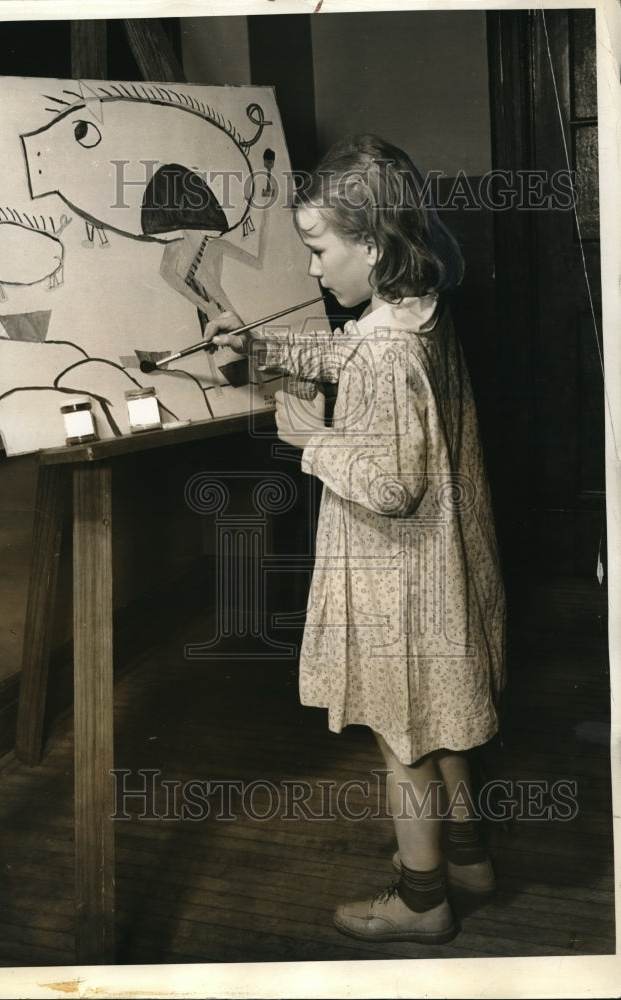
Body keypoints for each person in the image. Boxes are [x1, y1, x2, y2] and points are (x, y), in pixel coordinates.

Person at [205, 134, 506, 945]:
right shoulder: (418, 311)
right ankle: (469, 857)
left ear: (372, 245)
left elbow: (390, 484)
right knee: (438, 721)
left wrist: (311, 440)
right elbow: (356, 353)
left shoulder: (384, 347)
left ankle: (422, 898)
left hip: (396, 579)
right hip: (443, 572)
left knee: (401, 739)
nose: (310, 268)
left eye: (318, 247)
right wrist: (265, 347)